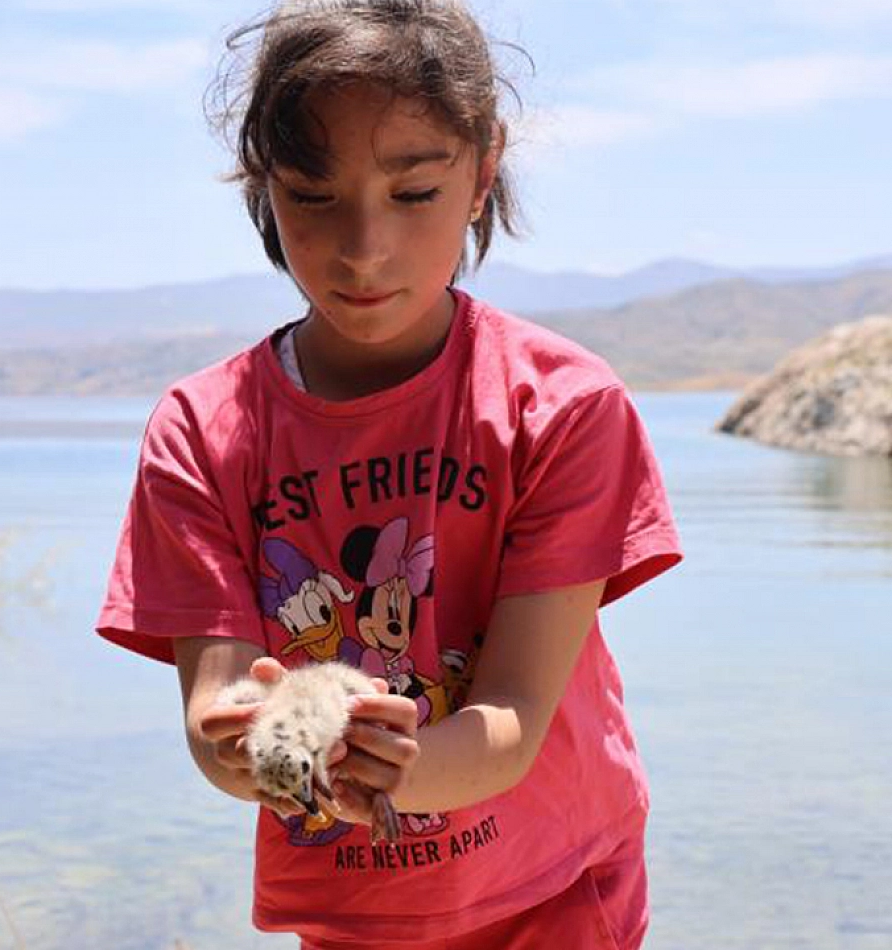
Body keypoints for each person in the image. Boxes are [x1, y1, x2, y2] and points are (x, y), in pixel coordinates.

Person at [95, 2, 682, 946]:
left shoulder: (559, 407)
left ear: (483, 172)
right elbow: (216, 706)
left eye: (413, 194)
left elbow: (514, 717)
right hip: (352, 913)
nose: (364, 249)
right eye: (313, 196)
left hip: (556, 887)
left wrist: (386, 762)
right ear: (263, 187)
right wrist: (244, 741)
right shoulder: (203, 433)